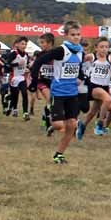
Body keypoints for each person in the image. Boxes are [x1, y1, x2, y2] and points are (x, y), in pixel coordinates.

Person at [29, 21, 85, 163]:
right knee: (58, 125)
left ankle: (59, 154)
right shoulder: (61, 50)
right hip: (58, 93)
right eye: (73, 34)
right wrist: (34, 81)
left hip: (72, 94)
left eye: (78, 34)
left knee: (72, 125)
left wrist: (81, 77)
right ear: (66, 35)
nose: (76, 37)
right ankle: (48, 118)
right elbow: (39, 61)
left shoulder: (80, 51)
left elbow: (79, 68)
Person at [79, 37, 111, 138]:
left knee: (95, 112)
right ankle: (100, 125)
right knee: (107, 99)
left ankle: (82, 125)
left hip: (105, 87)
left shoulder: (110, 59)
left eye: (106, 47)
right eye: (101, 47)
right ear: (96, 48)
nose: (104, 49)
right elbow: (78, 62)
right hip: (94, 86)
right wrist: (81, 74)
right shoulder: (92, 56)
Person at [4, 36, 30, 120]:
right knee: (15, 95)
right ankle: (11, 107)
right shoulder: (14, 54)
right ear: (17, 44)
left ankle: (25, 113)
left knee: (24, 93)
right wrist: (17, 64)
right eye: (22, 44)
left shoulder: (26, 55)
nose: (24, 46)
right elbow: (6, 64)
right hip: (14, 77)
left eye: (25, 44)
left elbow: (27, 65)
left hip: (22, 77)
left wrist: (28, 68)